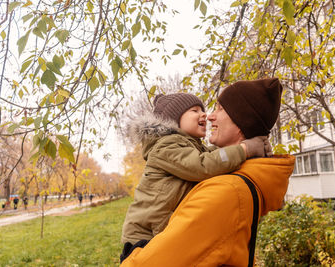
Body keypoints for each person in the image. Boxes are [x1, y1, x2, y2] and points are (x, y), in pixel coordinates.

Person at [120, 78, 295, 267]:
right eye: (195, 111)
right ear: (174, 121)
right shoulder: (168, 147)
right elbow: (204, 164)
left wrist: (248, 149)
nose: (208, 115)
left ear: (240, 120)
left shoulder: (227, 189)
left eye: (219, 109)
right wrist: (247, 149)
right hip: (142, 239)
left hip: (149, 244)